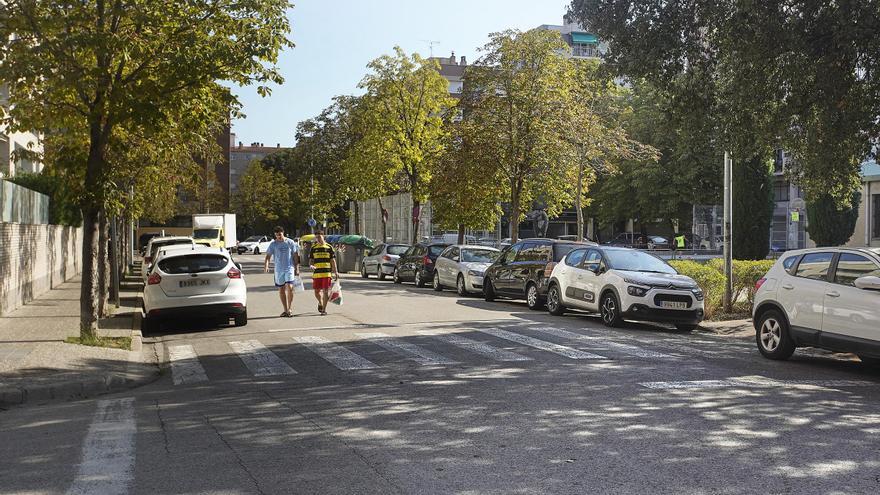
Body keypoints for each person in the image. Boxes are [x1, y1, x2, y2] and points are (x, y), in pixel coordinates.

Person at [264, 226, 300, 317]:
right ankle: (285, 309)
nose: (278, 237)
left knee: (290, 287)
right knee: (281, 290)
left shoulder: (290, 242)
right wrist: (266, 266)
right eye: (276, 235)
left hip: (289, 268)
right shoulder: (273, 244)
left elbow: (295, 255)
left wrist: (297, 267)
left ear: (283, 233)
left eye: (280, 235)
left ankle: (290, 308)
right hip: (278, 270)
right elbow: (268, 256)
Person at [309, 231, 339, 315]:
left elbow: (333, 260)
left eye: (319, 237)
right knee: (316, 292)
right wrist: (311, 265)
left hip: (327, 273)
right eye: (316, 237)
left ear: (323, 236)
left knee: (326, 291)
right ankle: (320, 302)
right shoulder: (313, 248)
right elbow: (311, 260)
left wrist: (336, 272)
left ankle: (324, 310)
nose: (318, 238)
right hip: (317, 273)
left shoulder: (329, 247)